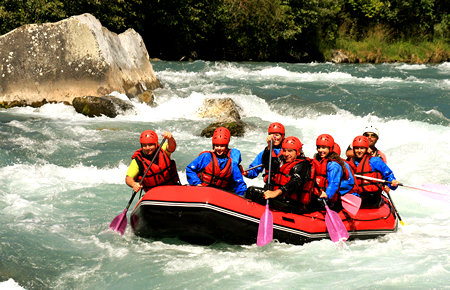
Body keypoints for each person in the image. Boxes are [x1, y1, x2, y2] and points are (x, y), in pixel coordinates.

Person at [186, 127, 247, 196]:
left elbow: (238, 181)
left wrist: (242, 196)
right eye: (217, 146)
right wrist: (197, 183)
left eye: (222, 146)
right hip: (202, 190)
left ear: (226, 146)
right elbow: (190, 169)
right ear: (213, 146)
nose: (219, 148)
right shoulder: (206, 157)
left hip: (219, 194)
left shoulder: (231, 162)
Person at [348, 135, 399, 208]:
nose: (359, 151)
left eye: (362, 148)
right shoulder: (350, 163)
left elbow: (388, 175)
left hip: (372, 198)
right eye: (357, 148)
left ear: (366, 149)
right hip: (357, 196)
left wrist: (392, 182)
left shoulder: (375, 161)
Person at [312, 134, 350, 212]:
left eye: (323, 148)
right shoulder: (317, 160)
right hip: (317, 195)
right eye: (318, 147)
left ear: (331, 148)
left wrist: (327, 195)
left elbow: (334, 183)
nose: (320, 150)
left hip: (329, 200)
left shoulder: (334, 165)